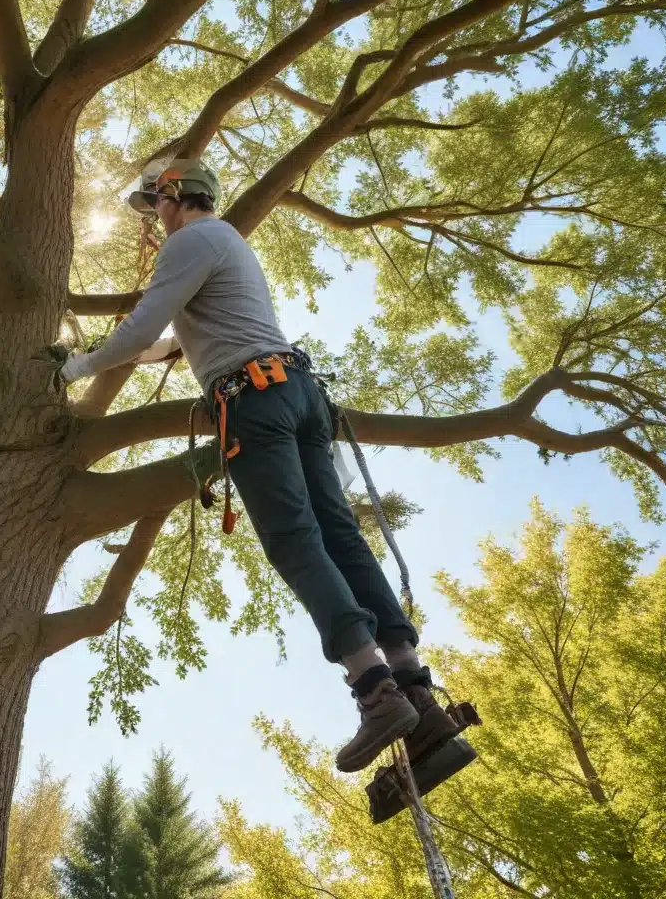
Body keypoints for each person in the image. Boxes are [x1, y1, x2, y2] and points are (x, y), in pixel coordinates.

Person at [58, 160, 462, 775]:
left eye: (155, 204)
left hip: (256, 402)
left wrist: (75, 368)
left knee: (294, 540)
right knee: (338, 534)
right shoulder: (226, 245)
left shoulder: (191, 240)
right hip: (298, 392)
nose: (153, 221)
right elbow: (167, 342)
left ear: (176, 195)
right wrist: (137, 355)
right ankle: (417, 696)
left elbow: (142, 328)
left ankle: (374, 691)